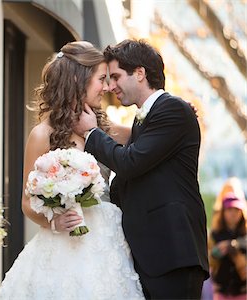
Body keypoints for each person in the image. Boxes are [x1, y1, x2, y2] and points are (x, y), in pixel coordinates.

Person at [0, 41, 144, 299]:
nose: (107, 87)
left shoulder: (104, 128)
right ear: (79, 78)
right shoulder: (41, 135)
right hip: (61, 246)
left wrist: (175, 110)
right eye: (101, 79)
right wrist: (54, 221)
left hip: (106, 244)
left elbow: (145, 136)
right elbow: (26, 202)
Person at [74, 39, 209, 299]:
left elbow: (129, 163)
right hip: (151, 256)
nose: (111, 86)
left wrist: (91, 132)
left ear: (139, 73)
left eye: (115, 77)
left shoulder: (173, 109)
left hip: (172, 255)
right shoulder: (145, 119)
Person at [208, 192, 246, 300]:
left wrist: (234, 246)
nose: (233, 214)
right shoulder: (215, 234)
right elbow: (210, 260)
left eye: (237, 210)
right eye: (230, 210)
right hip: (222, 291)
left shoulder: (245, 233)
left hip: (242, 290)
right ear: (223, 212)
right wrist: (217, 252)